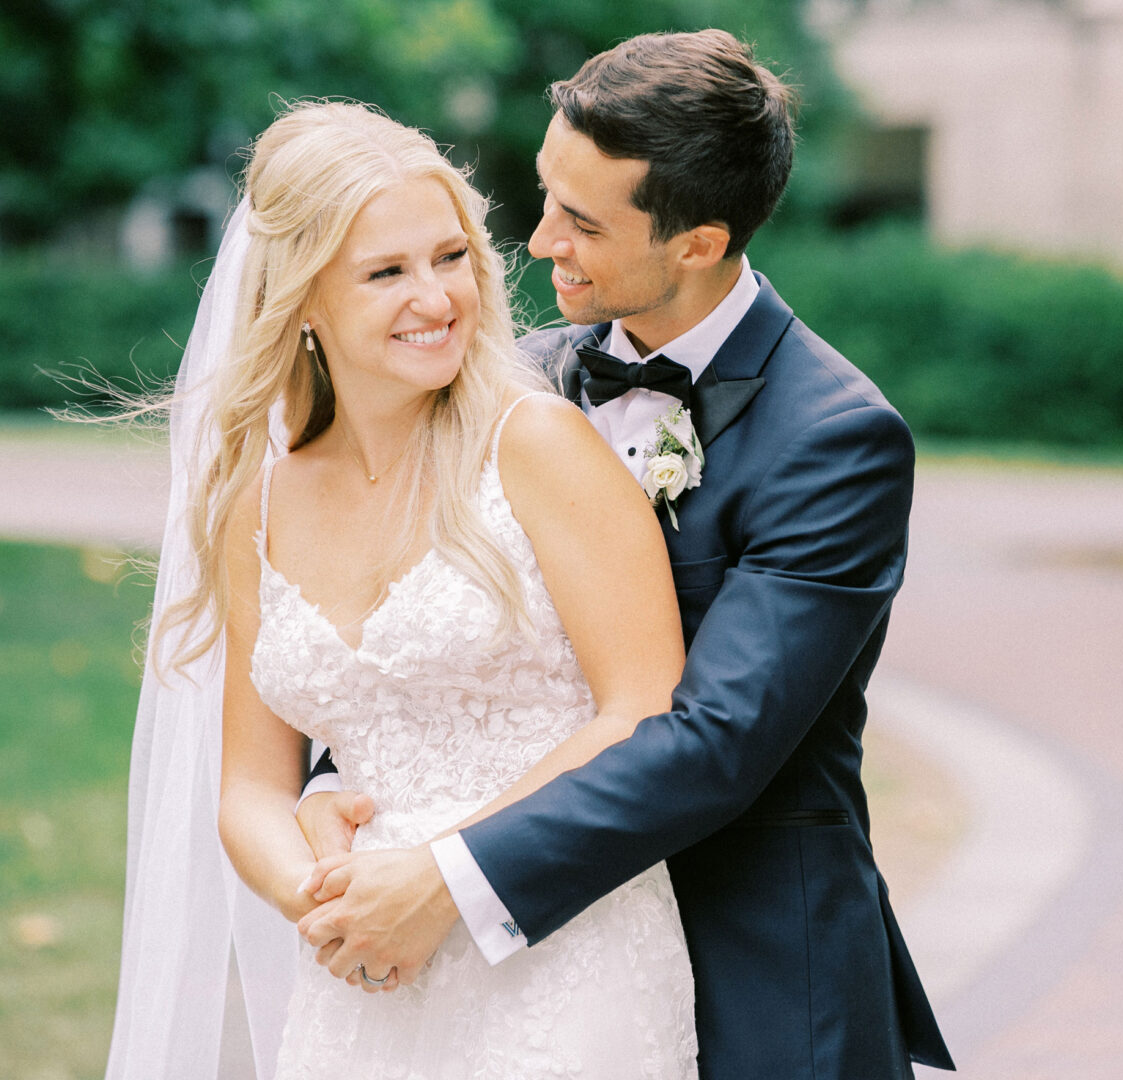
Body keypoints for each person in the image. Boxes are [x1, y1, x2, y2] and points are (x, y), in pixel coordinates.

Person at [296, 30, 955, 1079]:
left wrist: (450, 881)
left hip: (750, 954)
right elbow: (393, 601)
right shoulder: (508, 382)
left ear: (698, 242)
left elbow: (717, 740)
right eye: (548, 193)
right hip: (519, 976)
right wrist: (342, 771)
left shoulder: (836, 441)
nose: (540, 238)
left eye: (583, 220)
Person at [106, 100, 698, 1078]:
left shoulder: (536, 446)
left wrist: (440, 878)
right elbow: (252, 785)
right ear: (301, 298)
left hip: (561, 949)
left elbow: (641, 709)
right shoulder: (250, 506)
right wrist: (323, 901)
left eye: (450, 256)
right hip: (363, 982)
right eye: (386, 272)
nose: (437, 297)